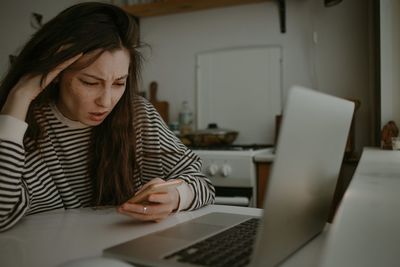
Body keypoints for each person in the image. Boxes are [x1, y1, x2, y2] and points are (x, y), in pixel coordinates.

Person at [0, 2, 215, 232]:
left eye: (119, 83)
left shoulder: (138, 114)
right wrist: (20, 96)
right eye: (90, 83)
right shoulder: (17, 125)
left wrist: (177, 196)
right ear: (55, 74)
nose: (106, 101)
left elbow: (203, 184)